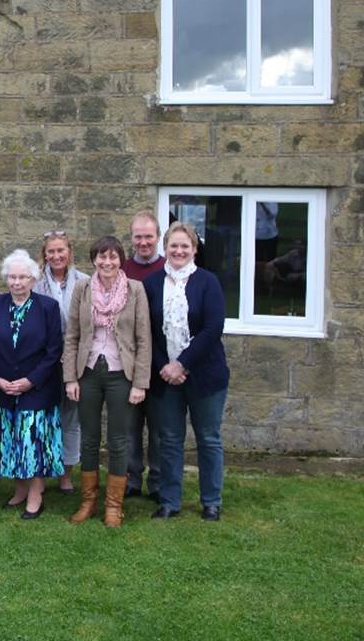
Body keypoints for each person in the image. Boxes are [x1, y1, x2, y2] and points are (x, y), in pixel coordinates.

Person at [63, 235, 152, 528]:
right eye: (101, 257)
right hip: (88, 372)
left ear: (120, 260)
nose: (107, 262)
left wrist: (140, 383)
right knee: (88, 439)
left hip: (121, 374)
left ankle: (114, 505)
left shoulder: (135, 290)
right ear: (94, 260)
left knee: (118, 440)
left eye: (113, 257)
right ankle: (88, 501)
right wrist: (70, 378)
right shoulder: (82, 288)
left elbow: (143, 339)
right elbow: (73, 335)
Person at [145, 222, 229, 522]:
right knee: (168, 439)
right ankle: (169, 501)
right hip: (165, 377)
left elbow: (213, 328)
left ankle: (211, 501)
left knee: (208, 438)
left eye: (185, 246)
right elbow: (147, 333)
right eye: (173, 246)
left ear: (194, 249)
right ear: (164, 249)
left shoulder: (208, 282)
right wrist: (164, 367)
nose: (179, 251)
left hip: (205, 375)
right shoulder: (152, 284)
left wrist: (182, 364)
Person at [0, 250, 64, 519]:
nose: (17, 282)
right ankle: (19, 490)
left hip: (37, 389)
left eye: (22, 277)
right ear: (6, 278)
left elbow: (54, 351)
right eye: (12, 277)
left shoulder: (48, 307)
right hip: (2, 388)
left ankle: (36, 496)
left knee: (33, 442)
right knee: (9, 442)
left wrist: (30, 381)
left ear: (33, 279)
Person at [32, 229, 88, 493]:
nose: (56, 255)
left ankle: (66, 474)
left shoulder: (86, 282)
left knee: (70, 419)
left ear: (69, 252)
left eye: (60, 250)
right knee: (42, 419)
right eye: (51, 251)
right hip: (43, 361)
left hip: (75, 361)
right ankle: (40, 474)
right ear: (44, 254)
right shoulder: (34, 283)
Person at [121, 210, 163, 501]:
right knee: (130, 426)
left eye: (149, 236)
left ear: (158, 237)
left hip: (160, 362)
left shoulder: (168, 268)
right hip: (127, 362)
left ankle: (158, 483)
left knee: (160, 428)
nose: (143, 242)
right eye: (138, 236)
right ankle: (132, 479)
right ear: (132, 238)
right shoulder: (121, 269)